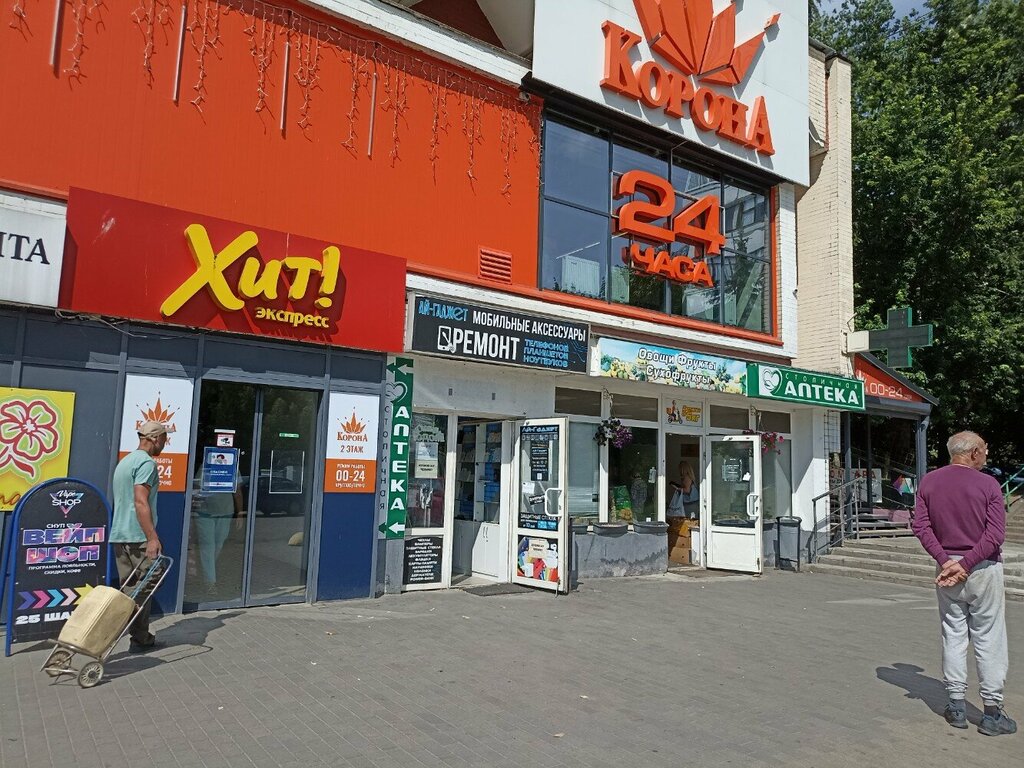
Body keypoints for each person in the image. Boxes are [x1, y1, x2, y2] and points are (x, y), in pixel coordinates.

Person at [911, 430, 1015, 736]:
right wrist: (966, 564)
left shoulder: (929, 481)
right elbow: (995, 535)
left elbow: (921, 526)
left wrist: (946, 561)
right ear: (973, 453)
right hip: (982, 567)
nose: (986, 455)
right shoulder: (988, 484)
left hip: (948, 569)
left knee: (953, 633)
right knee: (989, 637)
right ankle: (992, 713)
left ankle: (956, 705)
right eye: (984, 450)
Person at [110, 419, 168, 653]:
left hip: (120, 535)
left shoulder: (125, 462)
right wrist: (152, 537)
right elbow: (140, 501)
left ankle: (141, 638)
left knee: (136, 585)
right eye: (164, 439)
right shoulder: (146, 463)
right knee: (152, 579)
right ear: (155, 439)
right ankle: (113, 618)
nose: (164, 443)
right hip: (137, 536)